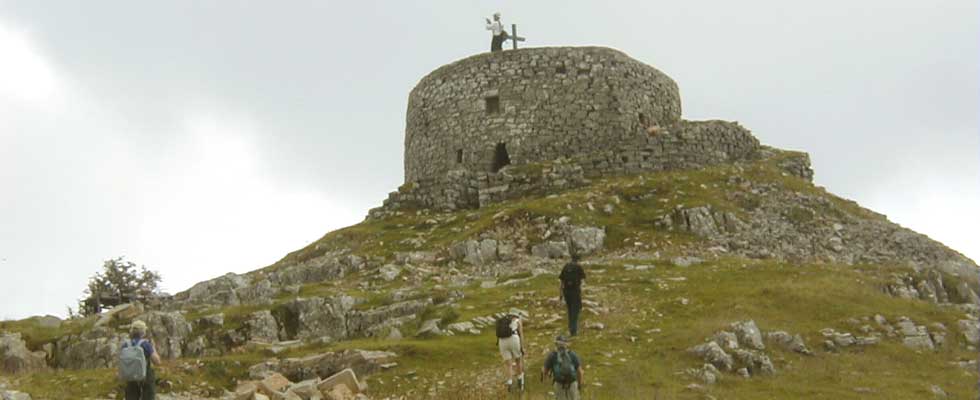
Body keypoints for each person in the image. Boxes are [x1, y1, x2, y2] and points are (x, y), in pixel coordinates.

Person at [124, 320, 162, 400]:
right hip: (145, 376)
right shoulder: (145, 344)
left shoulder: (126, 344)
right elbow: (157, 362)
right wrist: (153, 348)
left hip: (130, 376)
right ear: (143, 332)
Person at [541, 335, 584, 400]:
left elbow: (545, 371)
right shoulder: (572, 354)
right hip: (572, 384)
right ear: (566, 344)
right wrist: (580, 385)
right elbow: (580, 372)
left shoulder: (552, 355)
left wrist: (545, 383)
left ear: (556, 344)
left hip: (559, 385)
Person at [495, 313, 526, 391]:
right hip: (514, 339)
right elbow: (521, 334)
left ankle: (509, 382)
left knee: (508, 364)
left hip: (502, 341)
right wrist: (522, 347)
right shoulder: (517, 320)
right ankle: (520, 380)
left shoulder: (503, 321)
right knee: (518, 361)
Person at [559, 254, 586, 336]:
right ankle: (573, 330)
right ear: (578, 260)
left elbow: (561, 282)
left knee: (570, 310)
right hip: (575, 292)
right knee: (575, 310)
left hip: (566, 292)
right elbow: (583, 279)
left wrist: (561, 295)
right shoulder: (578, 267)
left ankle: (571, 329)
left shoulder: (566, 267)